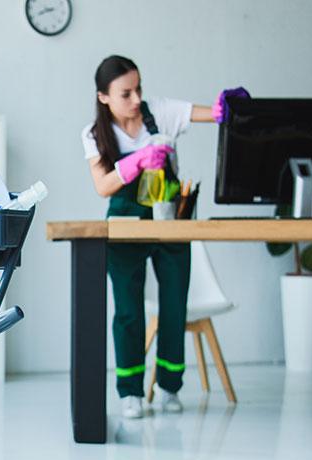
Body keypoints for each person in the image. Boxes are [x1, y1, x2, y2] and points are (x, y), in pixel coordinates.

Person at [81, 54, 245, 419]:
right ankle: (130, 392)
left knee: (175, 304)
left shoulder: (161, 112)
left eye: (138, 88)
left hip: (171, 220)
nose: (136, 99)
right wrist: (135, 162)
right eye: (126, 93)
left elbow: (212, 115)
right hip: (125, 223)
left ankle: (170, 386)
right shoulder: (95, 135)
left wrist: (226, 108)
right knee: (128, 309)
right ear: (104, 97)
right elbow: (103, 185)